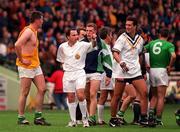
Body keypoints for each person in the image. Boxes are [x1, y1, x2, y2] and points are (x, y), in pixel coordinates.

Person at [109, 16, 148, 127]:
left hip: (135, 71)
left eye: (130, 25)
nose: (127, 27)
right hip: (122, 71)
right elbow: (115, 52)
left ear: (135, 26)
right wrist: (121, 63)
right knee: (117, 96)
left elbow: (140, 55)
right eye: (126, 25)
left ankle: (144, 118)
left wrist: (142, 70)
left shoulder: (140, 39)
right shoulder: (122, 37)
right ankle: (113, 118)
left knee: (144, 93)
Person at [15, 11, 50, 125]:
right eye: (42, 19)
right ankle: (21, 117)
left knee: (42, 89)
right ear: (37, 20)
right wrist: (21, 59)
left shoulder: (34, 31)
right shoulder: (29, 31)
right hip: (26, 65)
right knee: (25, 92)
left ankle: (38, 117)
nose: (43, 21)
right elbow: (17, 45)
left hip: (35, 64)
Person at [56, 28, 95, 127]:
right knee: (70, 97)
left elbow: (93, 46)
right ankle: (73, 121)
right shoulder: (62, 47)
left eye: (76, 35)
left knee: (81, 95)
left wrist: (94, 39)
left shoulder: (82, 45)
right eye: (73, 35)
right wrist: (66, 66)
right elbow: (60, 59)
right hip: (68, 74)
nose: (76, 37)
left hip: (79, 73)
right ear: (68, 37)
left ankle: (85, 119)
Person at [145, 28, 176, 127]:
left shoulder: (152, 43)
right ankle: (158, 120)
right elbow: (174, 56)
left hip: (152, 70)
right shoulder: (169, 45)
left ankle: (150, 117)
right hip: (162, 70)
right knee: (161, 97)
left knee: (153, 96)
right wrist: (170, 66)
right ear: (168, 36)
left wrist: (146, 63)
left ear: (159, 35)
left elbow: (143, 50)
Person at [84, 23, 113, 125]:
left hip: (96, 72)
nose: (88, 33)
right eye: (87, 31)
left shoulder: (101, 43)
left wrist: (109, 74)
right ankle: (89, 116)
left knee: (93, 94)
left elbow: (107, 58)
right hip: (83, 73)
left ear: (95, 32)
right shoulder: (81, 43)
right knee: (87, 97)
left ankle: (91, 117)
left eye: (91, 31)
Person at [97, 27, 114, 125]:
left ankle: (101, 119)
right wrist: (108, 75)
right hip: (106, 73)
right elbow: (104, 62)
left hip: (108, 73)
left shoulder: (107, 46)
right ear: (107, 35)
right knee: (112, 96)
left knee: (108, 96)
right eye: (111, 34)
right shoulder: (103, 46)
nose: (111, 37)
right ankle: (113, 117)